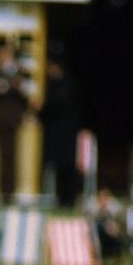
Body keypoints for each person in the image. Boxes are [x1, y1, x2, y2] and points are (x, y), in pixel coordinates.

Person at [34, 52, 80, 208]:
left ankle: (69, 200)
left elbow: (55, 106)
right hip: (57, 134)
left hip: (65, 135)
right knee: (58, 167)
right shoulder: (54, 84)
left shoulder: (66, 84)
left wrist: (41, 108)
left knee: (67, 168)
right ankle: (61, 199)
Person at [0, 44, 28, 204]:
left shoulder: (18, 71)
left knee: (12, 155)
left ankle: (11, 191)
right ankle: (2, 191)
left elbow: (21, 94)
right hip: (0, 119)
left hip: (12, 119)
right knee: (2, 155)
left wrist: (7, 88)